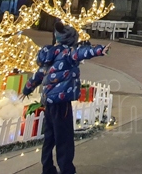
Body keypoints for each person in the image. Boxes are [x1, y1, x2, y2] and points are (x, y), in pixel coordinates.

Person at [22, 21, 109, 174]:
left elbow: (38, 75)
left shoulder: (49, 53)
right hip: (62, 103)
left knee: (49, 138)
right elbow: (82, 52)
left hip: (49, 103)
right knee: (65, 139)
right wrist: (100, 50)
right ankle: (67, 170)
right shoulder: (68, 53)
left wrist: (27, 89)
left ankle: (47, 168)